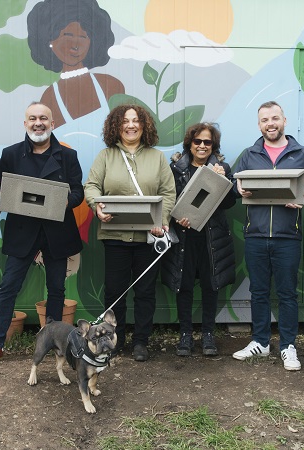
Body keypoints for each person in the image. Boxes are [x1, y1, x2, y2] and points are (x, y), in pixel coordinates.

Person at [0, 102, 83, 366]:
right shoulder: (11, 155)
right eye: (32, 118)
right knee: (8, 288)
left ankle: (56, 345)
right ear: (25, 124)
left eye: (43, 118)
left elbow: (78, 193)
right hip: (22, 231)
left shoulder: (68, 156)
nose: (38, 123)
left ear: (52, 123)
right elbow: (3, 192)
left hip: (57, 231)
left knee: (56, 289)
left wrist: (56, 203)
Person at [232, 101, 304, 371]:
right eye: (264, 120)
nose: (270, 124)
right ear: (259, 125)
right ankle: (260, 341)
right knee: (258, 291)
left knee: (287, 293)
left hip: (287, 236)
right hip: (256, 235)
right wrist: (239, 190)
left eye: (274, 118)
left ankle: (288, 346)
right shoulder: (249, 154)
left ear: (284, 120)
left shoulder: (302, 154)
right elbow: (235, 186)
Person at [84, 104, 176, 362]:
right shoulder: (105, 156)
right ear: (117, 125)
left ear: (144, 126)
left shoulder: (157, 157)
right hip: (115, 237)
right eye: (125, 121)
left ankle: (141, 342)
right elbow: (91, 186)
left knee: (145, 291)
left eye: (136, 121)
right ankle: (115, 340)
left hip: (149, 237)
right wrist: (96, 206)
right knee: (115, 292)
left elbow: (169, 192)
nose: (131, 125)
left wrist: (162, 219)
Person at [161, 123, 236, 357]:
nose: (202, 146)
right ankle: (185, 334)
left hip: (211, 237)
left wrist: (223, 183)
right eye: (197, 141)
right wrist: (176, 220)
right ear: (190, 144)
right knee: (183, 285)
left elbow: (230, 203)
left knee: (210, 284)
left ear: (213, 145)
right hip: (185, 236)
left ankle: (207, 334)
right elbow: (169, 200)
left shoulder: (221, 168)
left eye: (207, 142)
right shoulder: (176, 169)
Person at [27, 0, 124, 128]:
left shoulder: (111, 86)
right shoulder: (49, 98)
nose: (75, 45)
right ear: (50, 41)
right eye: (67, 35)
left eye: (83, 37)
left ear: (93, 42)